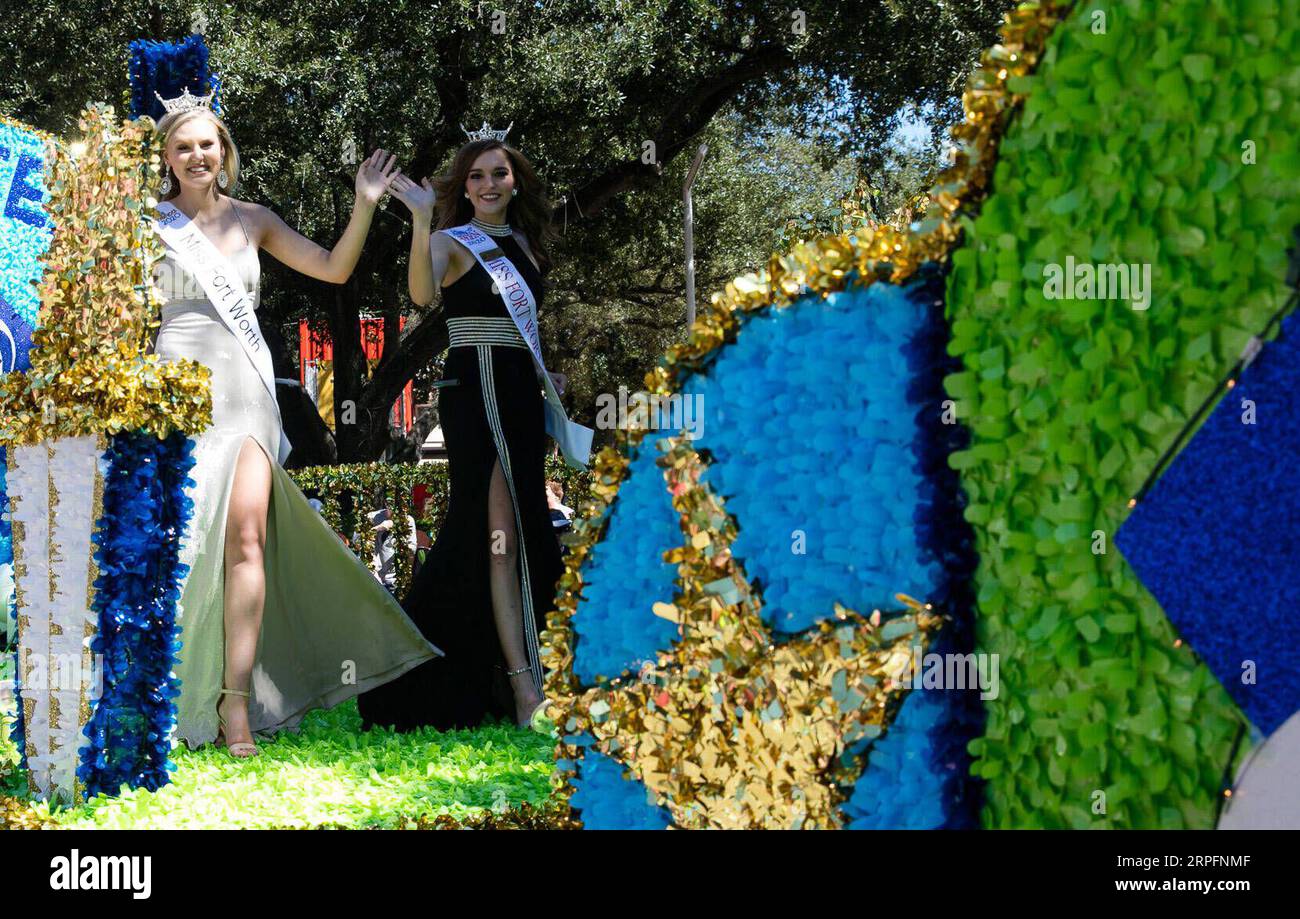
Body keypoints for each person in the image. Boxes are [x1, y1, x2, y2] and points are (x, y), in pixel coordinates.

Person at [148, 94, 441, 757]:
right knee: (178, 543)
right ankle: (160, 691)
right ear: (166, 158)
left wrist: (365, 202)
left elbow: (335, 269)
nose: (198, 155)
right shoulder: (145, 225)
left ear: (224, 153)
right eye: (184, 146)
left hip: (246, 397)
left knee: (246, 539)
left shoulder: (255, 220)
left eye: (208, 144)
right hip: (173, 394)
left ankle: (237, 706)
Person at [358, 127, 590, 732]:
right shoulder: (451, 241)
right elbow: (418, 294)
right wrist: (420, 220)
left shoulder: (527, 243)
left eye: (499, 174)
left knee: (523, 529)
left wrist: (546, 375)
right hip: (475, 390)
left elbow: (522, 324)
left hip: (516, 391)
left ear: (517, 182)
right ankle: (520, 687)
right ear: (464, 187)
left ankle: (520, 674)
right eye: (477, 176)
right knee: (497, 533)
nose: (488, 185)